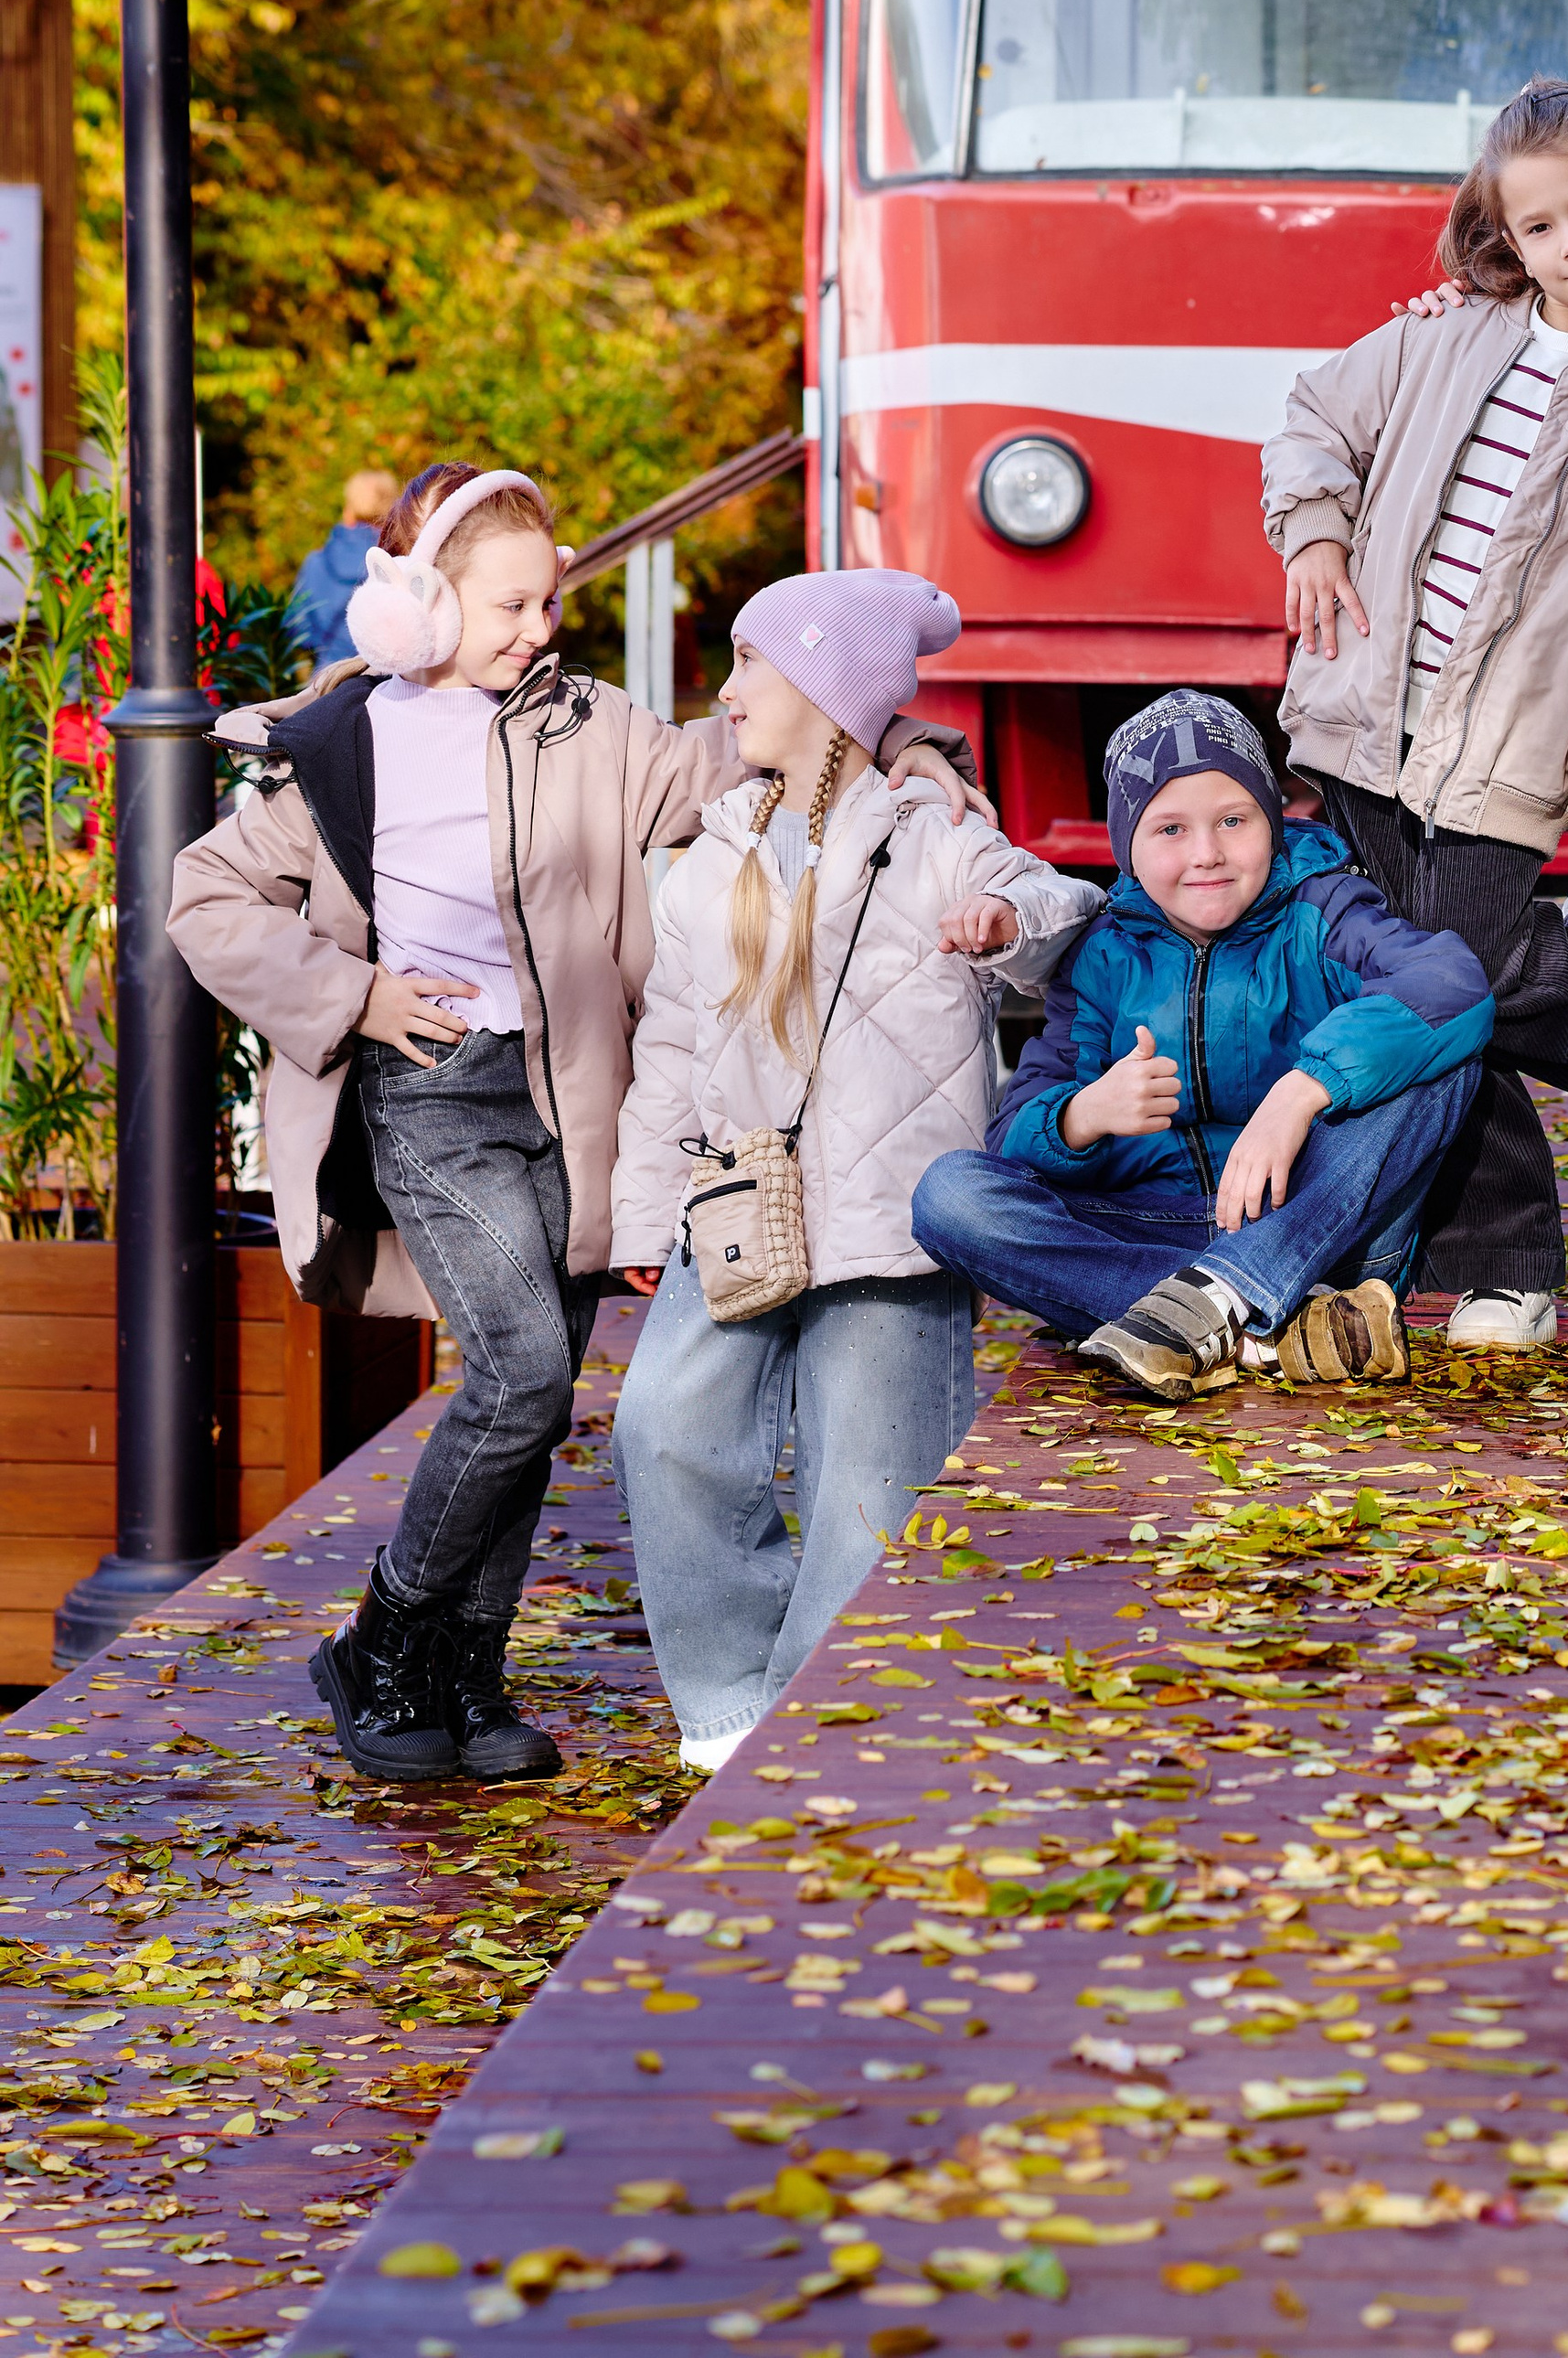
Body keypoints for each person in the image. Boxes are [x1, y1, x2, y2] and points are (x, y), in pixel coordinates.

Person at [167, 472, 982, 1787]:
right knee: (525, 1375)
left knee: (530, 1392)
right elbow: (205, 897)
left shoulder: (588, 727)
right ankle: (384, 1639)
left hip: (572, 1101)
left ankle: (465, 1677)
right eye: (514, 602)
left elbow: (763, 742)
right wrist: (356, 996)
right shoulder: (342, 744)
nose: (543, 625)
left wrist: (915, 748)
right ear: (422, 604)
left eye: (554, 598)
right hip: (434, 1089)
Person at [1259, 79, 1568, 1355]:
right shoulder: (1446, 336)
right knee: (1413, 980)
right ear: (1509, 238)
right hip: (1369, 717)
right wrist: (1316, 534)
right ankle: (1502, 1256)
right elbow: (1315, 417)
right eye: (1540, 227)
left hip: (1513, 750)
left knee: (1459, 978)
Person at [605, 572, 1101, 1771]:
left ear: (827, 690)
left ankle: (820, 1721)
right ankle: (726, 1696)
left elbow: (1063, 906)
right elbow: (670, 1036)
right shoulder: (711, 858)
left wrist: (1002, 920)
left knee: (870, 1484)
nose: (725, 695)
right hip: (736, 1203)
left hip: (890, 1224)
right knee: (663, 1423)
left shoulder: (933, 836)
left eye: (749, 667)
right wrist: (639, 1204)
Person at [911, 688, 1496, 1406]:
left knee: (1440, 1061)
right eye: (1170, 830)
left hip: (1316, 1227)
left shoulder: (1321, 910)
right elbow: (1012, 1141)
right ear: (1126, 844)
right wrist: (1082, 1117)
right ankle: (1263, 1327)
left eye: (1232, 819)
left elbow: (1450, 984)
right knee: (950, 1194)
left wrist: (1301, 1092)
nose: (1208, 854)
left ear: (1272, 820)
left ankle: (1223, 1301)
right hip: (1151, 1231)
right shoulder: (1103, 955)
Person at [289, 469, 400, 671]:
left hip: (328, 680)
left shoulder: (316, 562)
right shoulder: (399, 563)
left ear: (348, 510)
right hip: (385, 682)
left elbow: (298, 631)